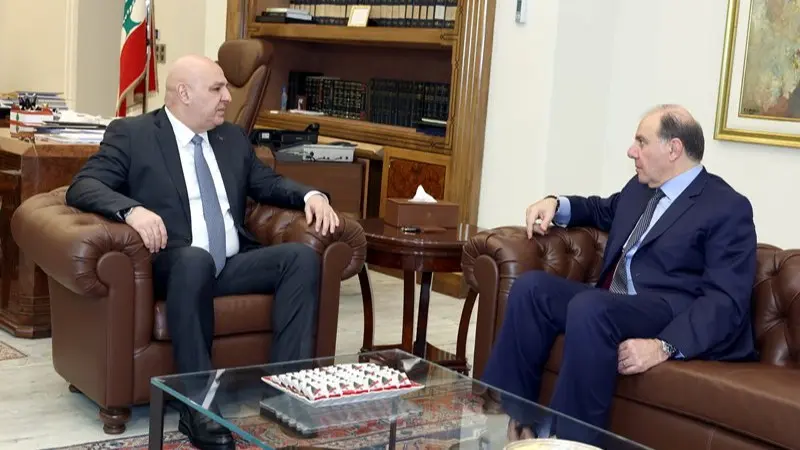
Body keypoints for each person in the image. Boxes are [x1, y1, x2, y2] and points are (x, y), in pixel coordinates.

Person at [66, 54, 339, 450]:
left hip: (229, 263)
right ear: (184, 93)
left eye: (226, 87)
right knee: (195, 260)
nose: (227, 97)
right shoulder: (134, 134)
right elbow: (84, 185)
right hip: (174, 264)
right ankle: (198, 407)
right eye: (217, 88)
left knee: (300, 258)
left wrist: (312, 195)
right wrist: (132, 210)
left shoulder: (231, 138)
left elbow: (267, 183)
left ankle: (285, 395)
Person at [481, 105, 758, 446]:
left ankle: (573, 443)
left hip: (664, 310)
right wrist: (556, 202)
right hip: (614, 305)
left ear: (673, 149)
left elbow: (725, 300)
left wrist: (664, 346)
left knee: (590, 307)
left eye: (642, 142)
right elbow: (602, 209)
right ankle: (519, 420)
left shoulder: (726, 206)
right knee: (531, 289)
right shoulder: (641, 188)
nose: (631, 151)